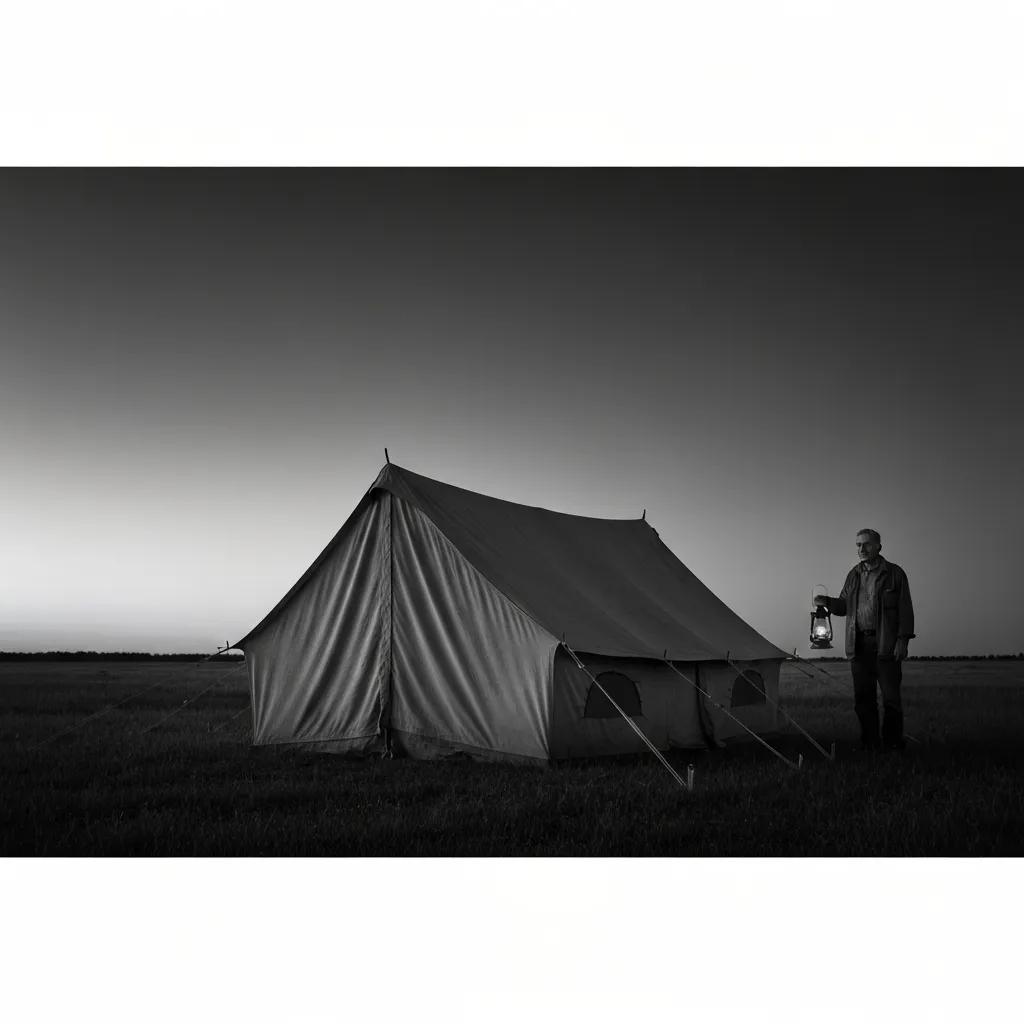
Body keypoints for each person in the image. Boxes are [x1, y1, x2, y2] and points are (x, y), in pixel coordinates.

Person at [815, 529, 915, 751]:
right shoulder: (854, 575)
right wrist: (827, 602)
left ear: (879, 546)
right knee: (863, 700)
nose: (861, 549)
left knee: (891, 699)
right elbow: (843, 606)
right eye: (858, 545)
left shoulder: (895, 574)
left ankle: (893, 745)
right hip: (858, 645)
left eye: (867, 544)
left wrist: (903, 640)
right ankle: (870, 745)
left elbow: (905, 609)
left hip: (886, 644)